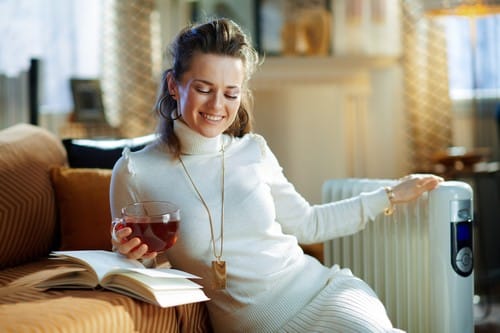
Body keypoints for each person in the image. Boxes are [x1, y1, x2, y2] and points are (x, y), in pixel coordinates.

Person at [110, 18, 442, 333]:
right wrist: (133, 258)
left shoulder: (253, 150)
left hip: (324, 294)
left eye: (230, 92)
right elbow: (148, 271)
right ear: (173, 85)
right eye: (203, 88)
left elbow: (309, 223)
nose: (217, 106)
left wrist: (389, 195)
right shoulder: (136, 171)